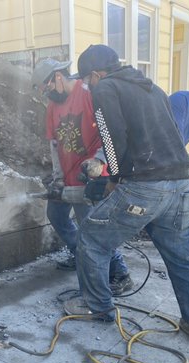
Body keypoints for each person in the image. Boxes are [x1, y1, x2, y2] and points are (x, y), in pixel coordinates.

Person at [72, 44, 189, 352]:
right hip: (181, 184)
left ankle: (98, 308)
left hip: (145, 185)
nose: (86, 87)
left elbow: (112, 139)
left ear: (96, 74)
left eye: (87, 80)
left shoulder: (105, 88)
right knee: (183, 258)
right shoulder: (153, 88)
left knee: (91, 237)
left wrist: (114, 180)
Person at [31, 58, 133, 296]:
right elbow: (55, 145)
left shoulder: (89, 94)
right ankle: (82, 256)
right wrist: (57, 178)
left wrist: (99, 161)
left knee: (92, 228)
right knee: (55, 214)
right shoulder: (52, 107)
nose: (46, 94)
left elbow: (111, 134)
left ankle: (120, 272)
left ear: (57, 77)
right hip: (67, 177)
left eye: (45, 88)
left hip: (92, 176)